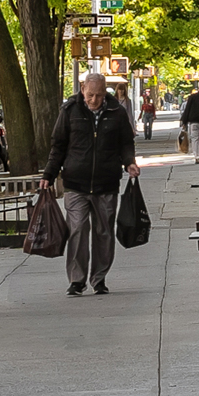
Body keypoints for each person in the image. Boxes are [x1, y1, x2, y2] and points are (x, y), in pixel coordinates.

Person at [46, 71, 138, 296]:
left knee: (103, 231)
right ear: (82, 90)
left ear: (105, 92)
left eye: (98, 95)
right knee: (77, 229)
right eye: (90, 95)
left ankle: (99, 278)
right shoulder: (70, 111)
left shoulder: (116, 112)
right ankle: (77, 280)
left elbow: (126, 143)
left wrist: (129, 163)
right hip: (75, 182)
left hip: (106, 182)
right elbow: (58, 145)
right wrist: (48, 175)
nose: (94, 100)